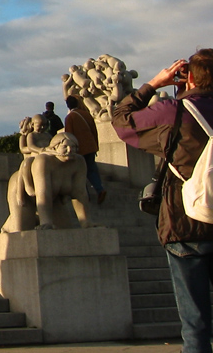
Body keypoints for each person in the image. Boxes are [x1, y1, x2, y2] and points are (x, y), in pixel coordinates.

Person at [112, 50, 213, 353]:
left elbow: (121, 121)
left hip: (186, 225)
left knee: (196, 325)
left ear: (189, 76)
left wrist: (154, 83)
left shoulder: (174, 112)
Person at [64, 95, 106, 204]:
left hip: (79, 149)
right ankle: (99, 189)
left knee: (80, 172)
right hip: (91, 146)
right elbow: (94, 131)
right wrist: (95, 146)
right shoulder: (86, 114)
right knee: (92, 169)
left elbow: (69, 135)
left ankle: (85, 195)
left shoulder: (70, 117)